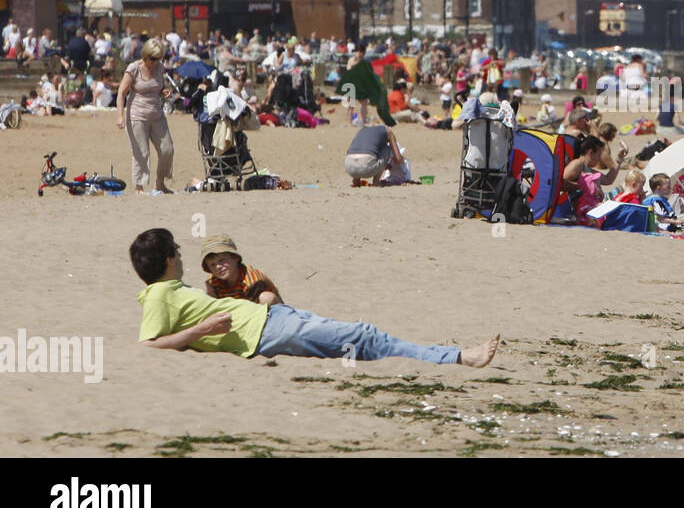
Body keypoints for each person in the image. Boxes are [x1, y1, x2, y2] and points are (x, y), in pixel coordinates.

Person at [131, 228, 498, 367]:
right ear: (168, 260)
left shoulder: (173, 291)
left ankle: (452, 356)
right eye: (177, 253)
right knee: (364, 336)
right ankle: (458, 357)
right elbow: (148, 346)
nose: (181, 258)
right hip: (266, 332)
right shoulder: (159, 296)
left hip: (270, 322)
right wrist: (204, 329)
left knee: (361, 338)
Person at [116, 38, 175, 194]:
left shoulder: (160, 67)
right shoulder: (133, 68)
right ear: (145, 55)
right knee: (141, 153)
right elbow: (121, 93)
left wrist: (165, 91)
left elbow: (160, 87)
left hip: (157, 114)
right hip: (137, 116)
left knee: (167, 149)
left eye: (158, 58)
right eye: (153, 58)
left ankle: (160, 183)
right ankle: (139, 188)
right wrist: (120, 116)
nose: (155, 62)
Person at [562, 134, 627, 225]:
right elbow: (560, 183)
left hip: (593, 206)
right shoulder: (576, 164)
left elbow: (608, 179)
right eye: (599, 155)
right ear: (591, 152)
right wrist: (580, 187)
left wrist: (619, 160)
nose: (599, 159)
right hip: (584, 209)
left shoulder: (586, 168)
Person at [200, 234, 282, 305]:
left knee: (266, 298)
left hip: (259, 311)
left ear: (235, 258)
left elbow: (252, 310)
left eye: (222, 260)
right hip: (234, 310)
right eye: (212, 264)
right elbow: (212, 305)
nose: (218, 267)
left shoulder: (252, 281)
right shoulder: (212, 282)